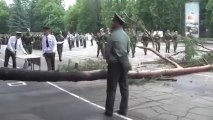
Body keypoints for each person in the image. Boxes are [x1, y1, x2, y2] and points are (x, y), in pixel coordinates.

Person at [105, 13, 131, 117]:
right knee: (124, 88)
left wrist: (110, 60)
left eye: (113, 21)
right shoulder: (126, 36)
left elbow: (107, 53)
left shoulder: (112, 35)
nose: (112, 23)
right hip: (124, 64)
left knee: (111, 89)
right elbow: (128, 50)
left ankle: (109, 111)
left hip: (114, 66)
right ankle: (123, 110)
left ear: (117, 23)